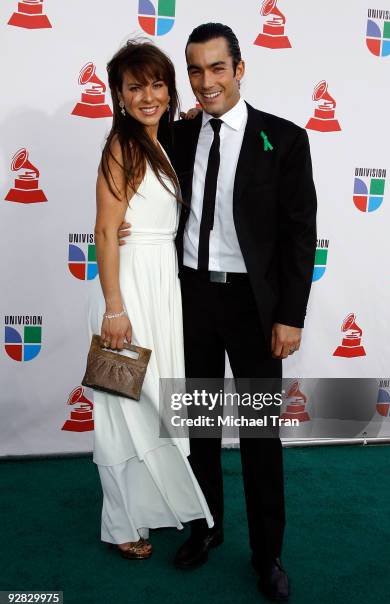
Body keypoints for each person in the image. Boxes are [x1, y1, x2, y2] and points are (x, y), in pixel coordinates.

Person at [119, 23, 317, 601]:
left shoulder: (283, 140)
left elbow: (300, 237)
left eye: (217, 69)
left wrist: (290, 315)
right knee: (199, 429)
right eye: (196, 71)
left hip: (256, 310)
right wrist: (125, 230)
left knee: (259, 436)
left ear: (239, 67)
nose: (205, 83)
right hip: (191, 300)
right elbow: (146, 198)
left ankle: (268, 553)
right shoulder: (176, 138)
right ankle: (205, 529)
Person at [88, 40, 213, 561]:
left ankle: (148, 508)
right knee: (119, 410)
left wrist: (188, 115)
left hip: (163, 284)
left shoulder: (160, 141)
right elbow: (104, 229)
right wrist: (115, 308)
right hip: (129, 289)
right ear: (118, 94)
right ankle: (119, 524)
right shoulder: (122, 145)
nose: (148, 95)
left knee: (154, 405)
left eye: (157, 84)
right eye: (135, 86)